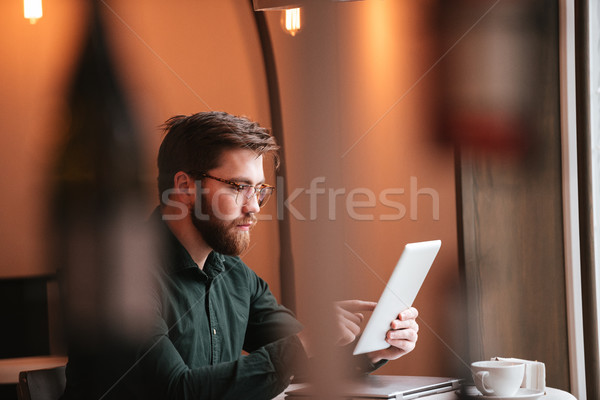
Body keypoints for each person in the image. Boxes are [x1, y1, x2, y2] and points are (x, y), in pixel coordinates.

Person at [60, 111, 419, 400]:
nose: (253, 208)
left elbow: (300, 357)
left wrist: (371, 350)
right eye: (238, 187)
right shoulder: (122, 280)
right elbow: (177, 391)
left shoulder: (235, 275)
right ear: (185, 186)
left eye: (259, 190)